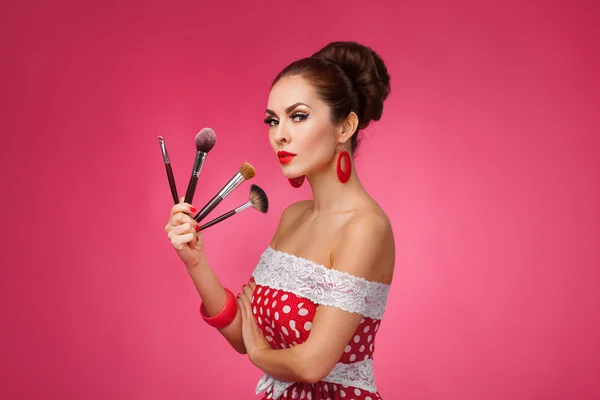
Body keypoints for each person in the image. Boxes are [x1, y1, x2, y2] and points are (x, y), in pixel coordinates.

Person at [165, 41, 395, 400]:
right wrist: (195, 262)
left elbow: (311, 365)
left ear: (345, 127)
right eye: (273, 120)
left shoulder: (365, 228)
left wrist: (260, 355)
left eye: (298, 116)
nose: (279, 134)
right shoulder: (293, 217)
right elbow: (245, 333)